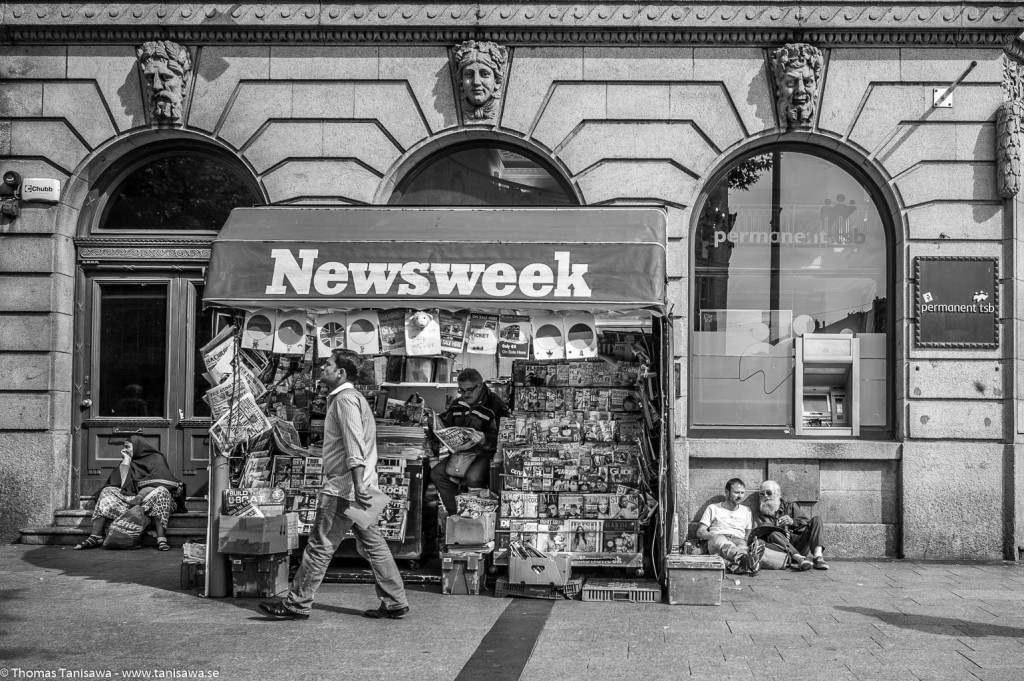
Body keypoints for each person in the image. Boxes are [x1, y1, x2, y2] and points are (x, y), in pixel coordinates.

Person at [260, 349, 409, 621]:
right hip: (360, 486)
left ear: (340, 372)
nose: (322, 369)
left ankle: (298, 603)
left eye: (327, 365)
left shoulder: (345, 400)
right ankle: (395, 601)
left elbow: (354, 444)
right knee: (374, 544)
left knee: (321, 544)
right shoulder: (353, 399)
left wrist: (356, 485)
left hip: (345, 489)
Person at [73, 435, 184, 551]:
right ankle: (95, 536)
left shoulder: (156, 458)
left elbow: (162, 482)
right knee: (107, 491)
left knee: (162, 491)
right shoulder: (130, 461)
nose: (124, 450)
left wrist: (141, 495)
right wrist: (126, 461)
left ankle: (161, 538)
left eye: (127, 447)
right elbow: (122, 485)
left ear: (137, 447)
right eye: (124, 447)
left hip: (150, 500)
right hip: (131, 500)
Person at [429, 368, 509, 516]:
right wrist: (435, 427)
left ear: (480, 385)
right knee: (437, 474)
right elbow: (446, 423)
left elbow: (505, 437)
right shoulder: (458, 403)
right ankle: (456, 515)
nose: (465, 394)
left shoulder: (496, 406)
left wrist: (485, 439)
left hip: (486, 452)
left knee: (473, 476)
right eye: (461, 390)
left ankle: (478, 517)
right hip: (461, 452)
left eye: (469, 390)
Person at [752, 479, 830, 571]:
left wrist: (793, 522)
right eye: (762, 494)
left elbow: (807, 525)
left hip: (799, 544)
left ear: (778, 494)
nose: (765, 496)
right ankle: (799, 559)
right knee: (773, 534)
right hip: (781, 549)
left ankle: (818, 557)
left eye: (769, 493)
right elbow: (759, 535)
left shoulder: (791, 507)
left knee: (817, 519)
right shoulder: (759, 514)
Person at [695, 478, 762, 575]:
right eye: (736, 492)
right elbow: (700, 532)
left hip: (738, 540)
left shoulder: (746, 511)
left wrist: (748, 543)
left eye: (742, 493)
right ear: (727, 492)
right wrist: (712, 536)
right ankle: (746, 559)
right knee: (723, 543)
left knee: (740, 547)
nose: (740, 496)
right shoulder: (713, 508)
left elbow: (747, 535)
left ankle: (736, 565)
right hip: (718, 539)